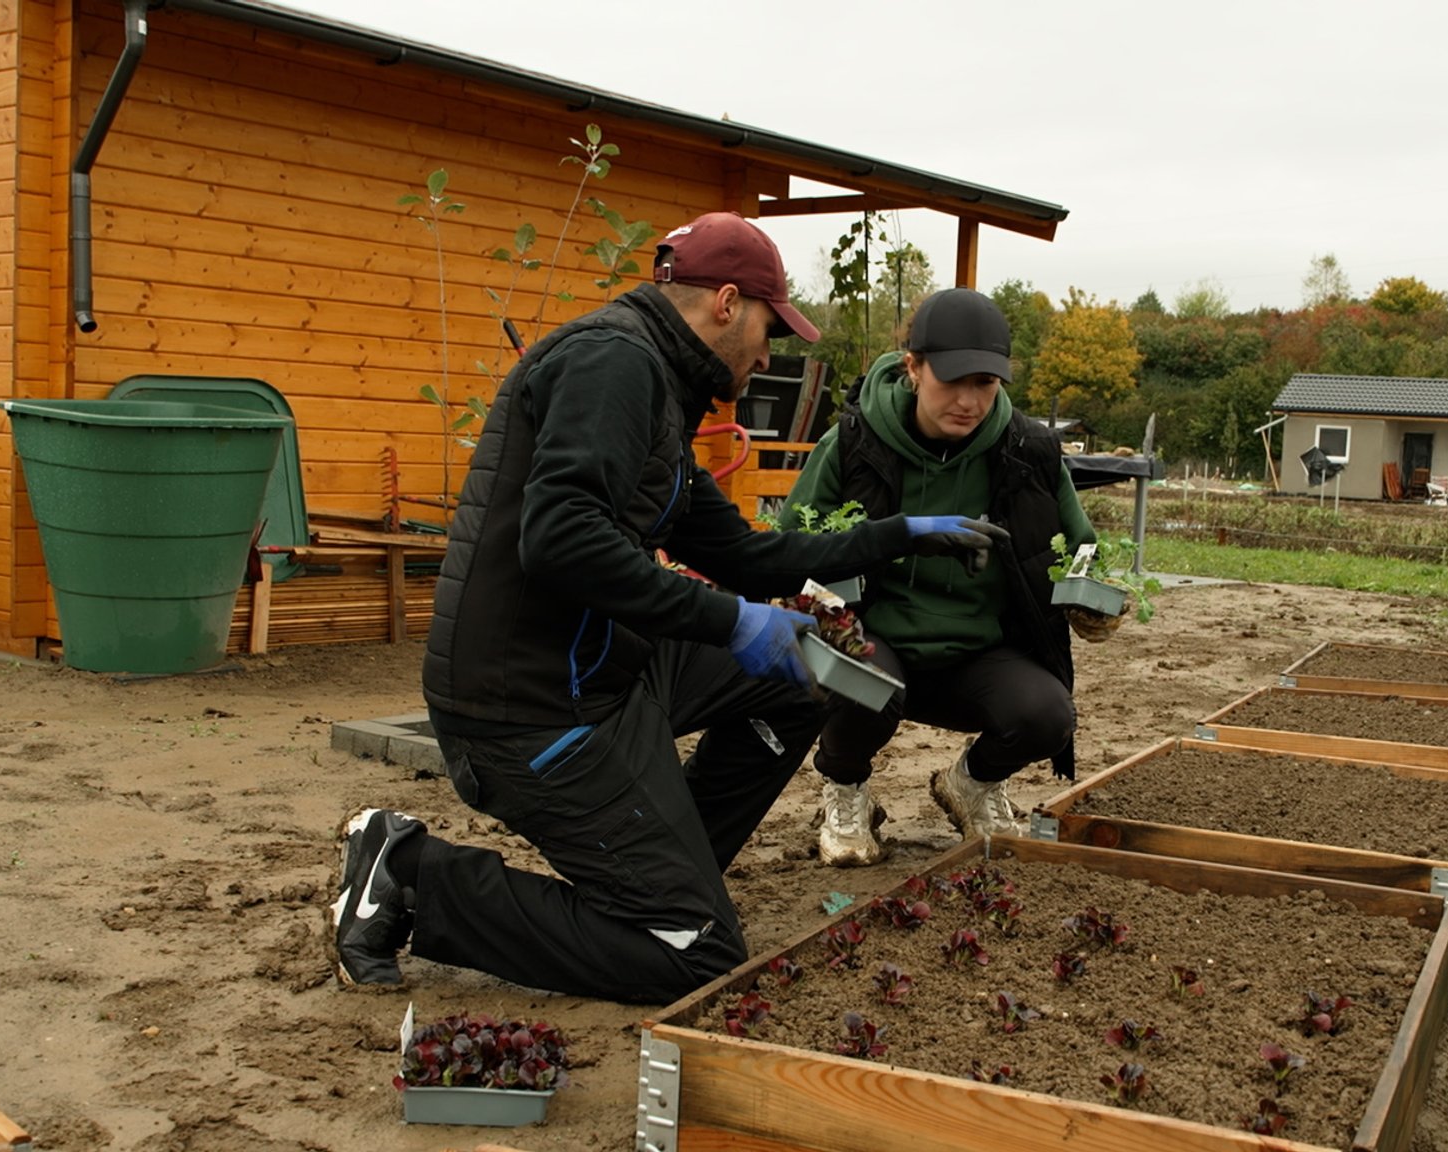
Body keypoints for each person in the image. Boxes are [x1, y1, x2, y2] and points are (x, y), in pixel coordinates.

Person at [330, 213, 1006, 1002]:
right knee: (698, 959)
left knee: (800, 681)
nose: (767, 353)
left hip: (602, 664)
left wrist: (901, 535)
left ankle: (670, 875)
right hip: (527, 705)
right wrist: (731, 621)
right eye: (767, 329)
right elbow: (560, 541)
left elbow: (751, 558)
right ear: (726, 302)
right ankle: (411, 874)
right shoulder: (613, 365)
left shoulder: (656, 388)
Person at [782, 287, 1117, 867]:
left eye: (985, 384)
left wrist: (1098, 602)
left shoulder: (1028, 452)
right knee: (856, 679)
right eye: (952, 380)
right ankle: (846, 791)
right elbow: (792, 549)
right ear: (913, 368)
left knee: (1046, 714)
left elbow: (1081, 549)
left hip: (977, 654)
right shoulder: (855, 444)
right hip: (877, 641)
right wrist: (813, 602)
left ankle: (972, 783)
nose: (968, 400)